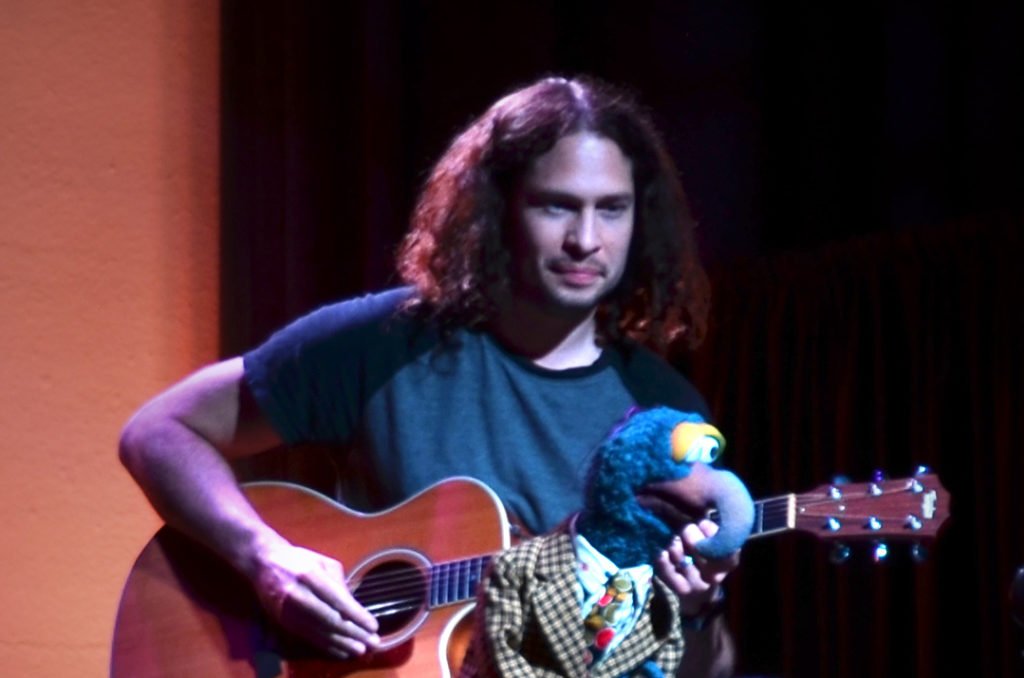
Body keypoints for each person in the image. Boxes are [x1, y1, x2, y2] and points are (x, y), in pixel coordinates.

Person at [119, 75, 740, 677]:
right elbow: (159, 432)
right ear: (498, 211)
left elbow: (703, 666)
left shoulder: (662, 413)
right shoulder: (386, 344)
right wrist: (266, 558)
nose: (585, 239)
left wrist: (696, 607)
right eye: (556, 206)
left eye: (612, 210)